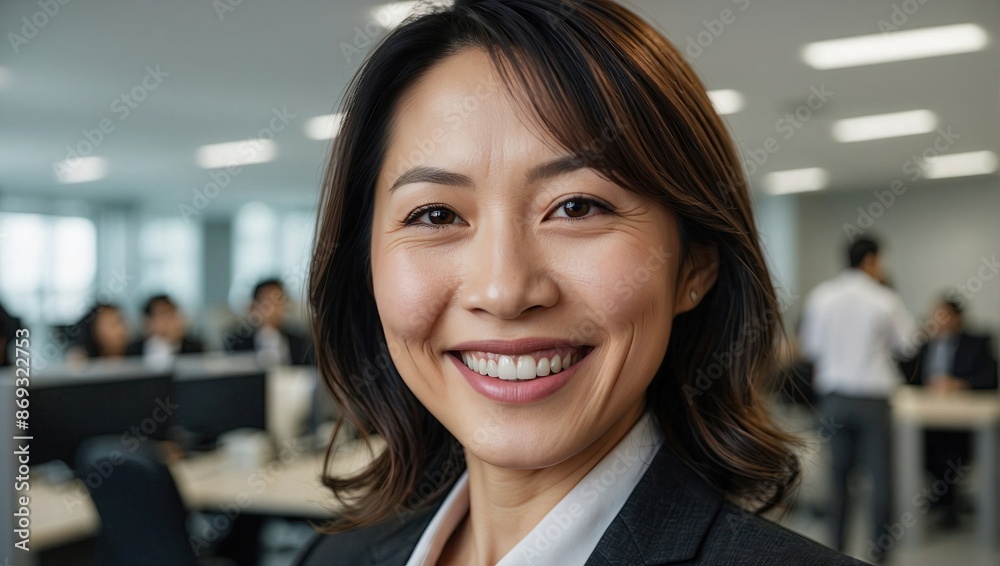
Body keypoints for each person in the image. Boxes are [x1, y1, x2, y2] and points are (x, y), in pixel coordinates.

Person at [296, 1, 863, 564]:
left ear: (694, 266)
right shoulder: (331, 557)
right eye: (436, 215)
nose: (504, 291)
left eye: (577, 207)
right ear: (364, 266)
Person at [799, 237, 915, 562]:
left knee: (837, 480)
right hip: (872, 402)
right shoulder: (883, 298)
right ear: (872, 261)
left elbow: (809, 349)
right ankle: (880, 554)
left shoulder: (822, 296)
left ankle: (835, 552)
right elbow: (908, 344)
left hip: (834, 400)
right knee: (880, 480)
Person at [901, 297, 998, 526]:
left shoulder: (976, 344)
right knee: (915, 446)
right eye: (935, 315)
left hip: (961, 423)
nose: (937, 320)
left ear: (958, 319)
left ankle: (947, 499)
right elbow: (905, 376)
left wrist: (959, 384)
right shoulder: (923, 344)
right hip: (925, 420)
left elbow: (991, 378)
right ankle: (943, 497)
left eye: (943, 315)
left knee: (952, 451)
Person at [225, 278, 312, 366]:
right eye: (269, 303)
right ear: (253, 307)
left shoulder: (301, 344)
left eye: (280, 302)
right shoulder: (236, 343)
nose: (276, 309)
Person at [125, 294, 205, 364]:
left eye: (172, 314)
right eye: (163, 315)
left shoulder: (194, 348)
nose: (169, 320)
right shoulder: (134, 350)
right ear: (148, 321)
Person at [66, 303, 131, 360]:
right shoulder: (85, 362)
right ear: (94, 332)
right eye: (112, 325)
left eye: (121, 322)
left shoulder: (136, 357)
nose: (121, 330)